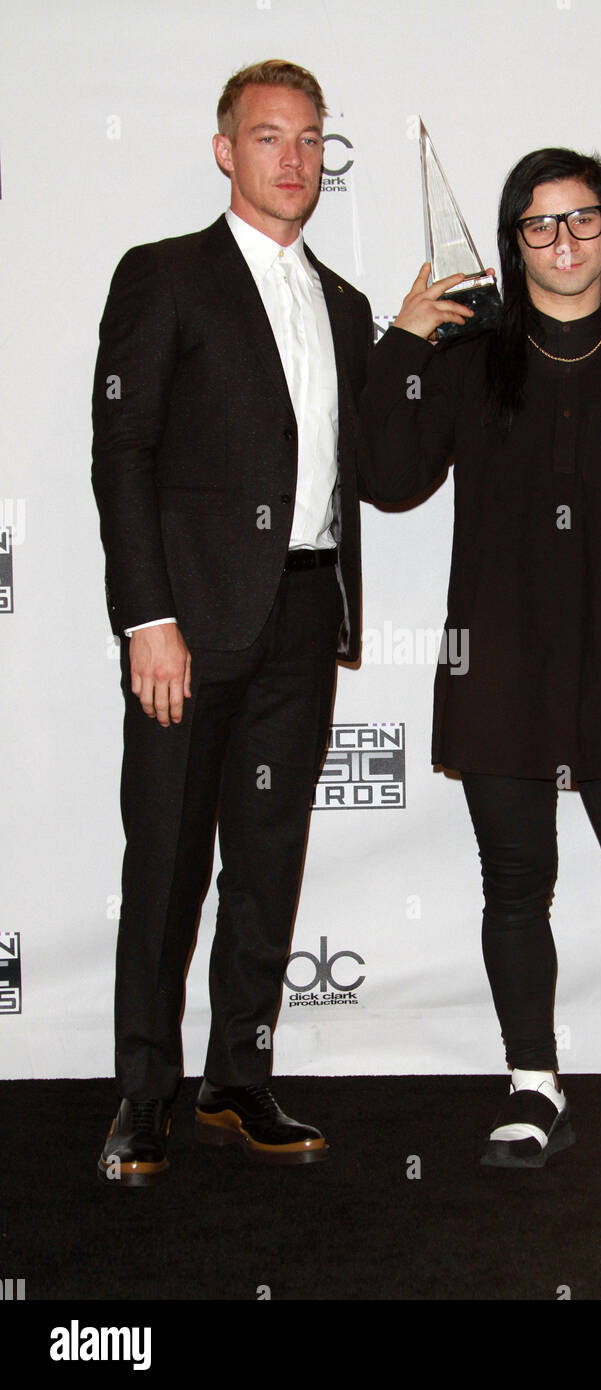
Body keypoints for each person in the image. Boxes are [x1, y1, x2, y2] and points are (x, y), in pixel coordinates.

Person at [359, 148, 601, 1181]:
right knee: (515, 884)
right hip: (501, 663)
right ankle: (533, 1083)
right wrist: (406, 340)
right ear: (515, 242)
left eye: (581, 220)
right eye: (539, 225)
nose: (564, 243)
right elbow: (387, 479)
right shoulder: (475, 360)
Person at [91, 59, 372, 1185]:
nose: (294, 158)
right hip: (190, 621)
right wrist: (146, 617)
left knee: (266, 858)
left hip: (305, 610)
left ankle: (238, 1074)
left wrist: (412, 346)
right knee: (166, 861)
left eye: (309, 138)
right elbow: (123, 457)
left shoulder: (343, 304)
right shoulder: (164, 278)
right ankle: (143, 1092)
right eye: (269, 138)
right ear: (226, 151)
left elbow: (384, 473)